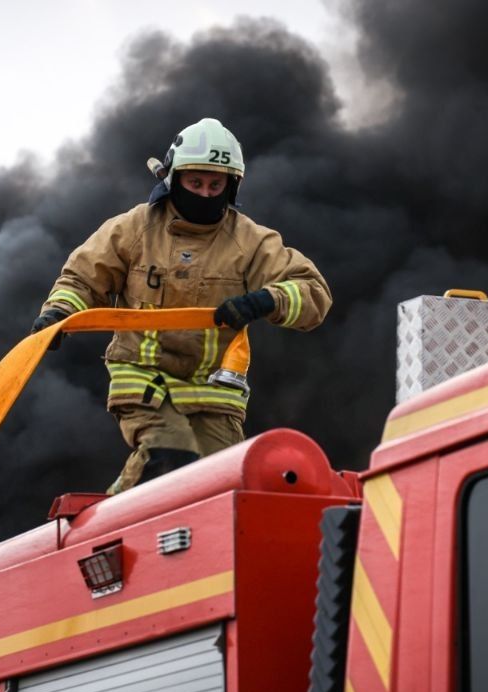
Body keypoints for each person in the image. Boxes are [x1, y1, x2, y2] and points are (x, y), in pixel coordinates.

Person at [30, 117, 331, 494]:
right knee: (170, 461)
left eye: (215, 184)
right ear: (174, 179)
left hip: (214, 394)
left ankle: (131, 515)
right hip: (144, 380)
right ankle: (111, 529)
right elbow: (83, 278)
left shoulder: (250, 241)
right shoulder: (134, 229)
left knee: (222, 489)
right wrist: (59, 314)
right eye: (195, 182)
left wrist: (265, 300)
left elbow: (314, 292)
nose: (205, 193)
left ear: (231, 185)